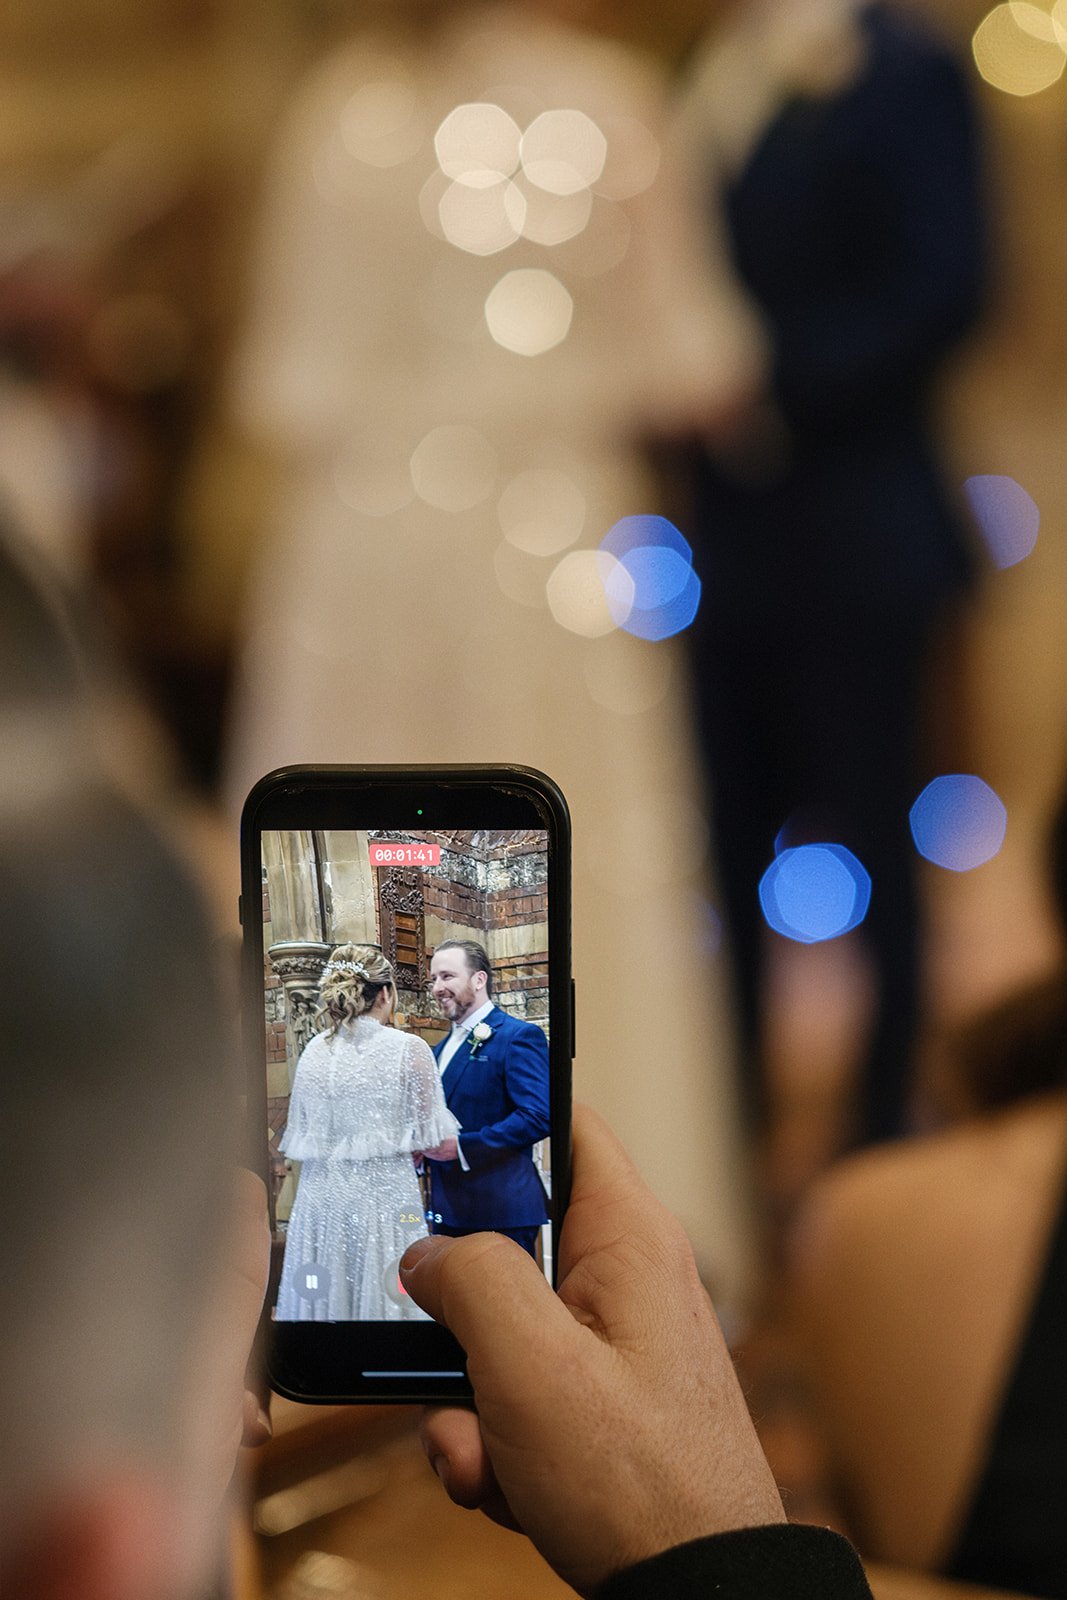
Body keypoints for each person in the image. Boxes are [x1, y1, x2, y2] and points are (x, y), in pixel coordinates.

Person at [675, 0, 988, 1143]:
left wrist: (762, 381)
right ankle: (735, 1131)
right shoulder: (702, 70)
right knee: (722, 843)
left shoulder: (902, 70)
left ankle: (880, 1125)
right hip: (724, 540)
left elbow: (947, 283)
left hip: (858, 529)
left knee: (877, 843)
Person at [276, 942, 458, 1320]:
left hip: (320, 1202)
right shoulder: (409, 1048)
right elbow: (436, 1140)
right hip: (385, 1200)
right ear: (386, 993)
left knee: (323, 1294)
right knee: (392, 1295)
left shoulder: (312, 1051)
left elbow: (303, 1134)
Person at [422, 939, 550, 1257]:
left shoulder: (517, 1036)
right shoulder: (437, 1052)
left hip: (501, 1212)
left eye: (447, 976)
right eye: (434, 979)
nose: (438, 987)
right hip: (448, 1213)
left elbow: (538, 1115)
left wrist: (462, 1148)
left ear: (479, 980)